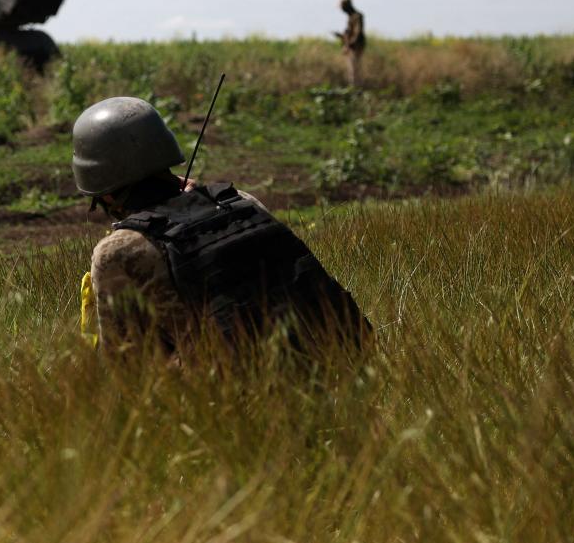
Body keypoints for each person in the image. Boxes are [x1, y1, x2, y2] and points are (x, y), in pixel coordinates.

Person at [74, 96, 369, 357]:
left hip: (234, 403)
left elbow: (122, 366)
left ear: (107, 194)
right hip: (334, 363)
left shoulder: (117, 251)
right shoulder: (240, 201)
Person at [333, 0, 366, 88]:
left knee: (354, 70)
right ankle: (354, 88)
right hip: (351, 46)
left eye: (342, 8)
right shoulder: (351, 17)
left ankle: (356, 89)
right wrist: (342, 37)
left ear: (347, 7)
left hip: (355, 46)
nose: (342, 10)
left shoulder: (357, 16)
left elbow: (357, 33)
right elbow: (350, 33)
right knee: (352, 70)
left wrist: (350, 44)